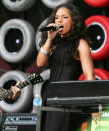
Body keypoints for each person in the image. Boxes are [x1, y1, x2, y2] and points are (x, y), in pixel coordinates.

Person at [37, 3, 95, 131]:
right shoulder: (54, 44)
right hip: (49, 98)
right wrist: (49, 39)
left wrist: (92, 105)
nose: (59, 21)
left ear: (73, 21)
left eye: (64, 17)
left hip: (68, 100)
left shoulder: (80, 44)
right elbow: (40, 63)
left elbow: (90, 76)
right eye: (57, 18)